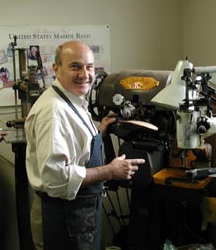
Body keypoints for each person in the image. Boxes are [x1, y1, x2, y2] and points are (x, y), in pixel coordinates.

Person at [25, 40, 145, 250]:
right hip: (61, 216)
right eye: (75, 66)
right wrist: (110, 170)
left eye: (89, 67)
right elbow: (56, 178)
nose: (84, 74)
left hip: (79, 211)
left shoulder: (72, 99)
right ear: (56, 69)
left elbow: (71, 144)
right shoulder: (53, 112)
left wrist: (98, 132)